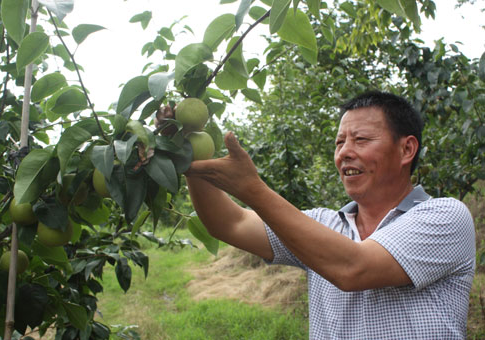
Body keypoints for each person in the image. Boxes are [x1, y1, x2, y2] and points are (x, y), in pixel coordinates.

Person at [183, 91, 476, 339]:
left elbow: (354, 267)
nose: (344, 152)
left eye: (361, 139)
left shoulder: (445, 217)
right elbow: (229, 223)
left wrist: (252, 189)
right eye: (339, 142)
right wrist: (187, 152)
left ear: (406, 149)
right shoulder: (323, 225)